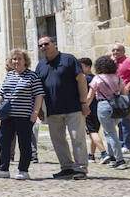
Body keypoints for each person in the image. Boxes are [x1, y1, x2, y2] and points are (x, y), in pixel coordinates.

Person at [34, 36, 90, 180]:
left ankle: (81, 168)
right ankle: (66, 167)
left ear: (54, 44)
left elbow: (81, 80)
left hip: (73, 107)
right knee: (58, 140)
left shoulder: (69, 59)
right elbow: (38, 90)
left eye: (46, 44)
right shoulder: (40, 65)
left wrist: (84, 103)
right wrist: (39, 109)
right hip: (53, 109)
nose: (43, 47)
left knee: (77, 137)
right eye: (40, 45)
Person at [0, 49, 44, 180]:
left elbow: (39, 95)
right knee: (3, 140)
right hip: (7, 115)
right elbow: (2, 94)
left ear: (25, 61)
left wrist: (35, 113)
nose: (16, 61)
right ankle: (3, 169)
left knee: (24, 143)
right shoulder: (9, 75)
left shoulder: (32, 76)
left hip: (24, 115)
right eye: (14, 59)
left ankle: (23, 170)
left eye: (19, 59)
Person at [88, 56, 128, 169]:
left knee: (111, 133)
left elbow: (90, 96)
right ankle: (112, 157)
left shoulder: (97, 78)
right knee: (108, 131)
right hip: (118, 105)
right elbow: (124, 92)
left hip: (104, 105)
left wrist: (84, 106)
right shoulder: (118, 78)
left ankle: (120, 160)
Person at [79, 57, 112, 165]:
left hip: (89, 110)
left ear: (88, 67)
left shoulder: (85, 79)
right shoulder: (96, 78)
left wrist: (84, 108)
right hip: (98, 109)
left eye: (81, 66)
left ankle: (103, 153)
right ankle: (91, 155)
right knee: (94, 132)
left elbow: (88, 96)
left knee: (92, 132)